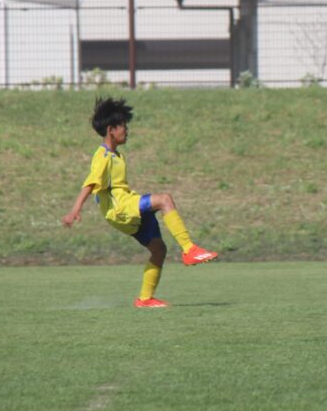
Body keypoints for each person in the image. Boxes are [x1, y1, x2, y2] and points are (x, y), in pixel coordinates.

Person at [62, 97, 218, 308]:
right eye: (123, 126)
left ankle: (145, 299)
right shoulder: (103, 156)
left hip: (122, 210)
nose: (127, 130)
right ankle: (189, 249)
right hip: (120, 208)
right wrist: (75, 209)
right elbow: (91, 182)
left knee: (159, 250)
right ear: (111, 130)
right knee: (165, 200)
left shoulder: (117, 155)